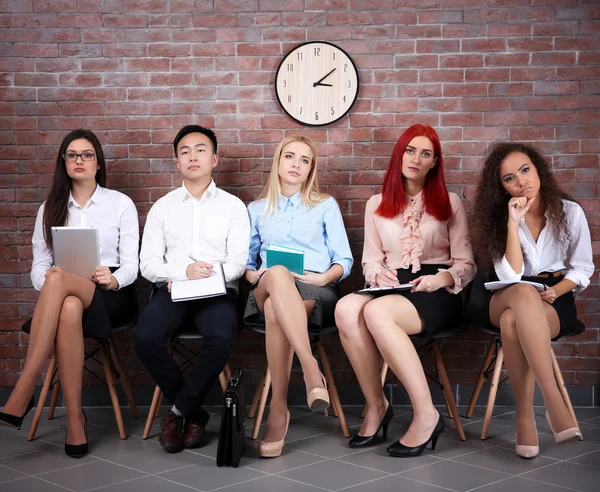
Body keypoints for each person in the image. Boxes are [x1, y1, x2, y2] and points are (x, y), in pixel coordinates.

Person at [334, 124, 476, 458]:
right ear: (399, 154)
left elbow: (466, 264)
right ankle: (377, 405)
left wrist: (441, 279)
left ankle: (427, 414)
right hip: (392, 284)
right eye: (410, 150)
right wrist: (377, 273)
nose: (416, 158)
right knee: (344, 308)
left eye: (425, 153)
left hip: (438, 289)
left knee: (376, 312)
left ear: (434, 162)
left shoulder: (450, 202)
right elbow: (369, 260)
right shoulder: (376, 204)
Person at [0, 129, 139, 458]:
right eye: (72, 155)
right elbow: (38, 268)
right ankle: (75, 419)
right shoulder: (50, 208)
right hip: (64, 300)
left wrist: (113, 277)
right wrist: (48, 276)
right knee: (68, 301)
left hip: (110, 297)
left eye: (87, 154)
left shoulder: (120, 204)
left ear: (98, 163)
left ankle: (25, 386)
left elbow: (133, 264)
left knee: (63, 287)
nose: (80, 160)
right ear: (63, 163)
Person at [473, 143, 593, 458]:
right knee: (522, 292)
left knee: (514, 324)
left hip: (554, 297)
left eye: (525, 170)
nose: (522, 181)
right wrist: (513, 223)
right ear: (502, 187)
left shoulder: (570, 212)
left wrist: (561, 289)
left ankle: (525, 419)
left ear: (537, 169)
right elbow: (511, 275)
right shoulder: (500, 218)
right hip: (505, 295)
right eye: (510, 178)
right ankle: (554, 403)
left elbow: (582, 268)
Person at [135, 125, 250, 454]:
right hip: (173, 290)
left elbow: (239, 263)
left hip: (218, 294)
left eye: (200, 150)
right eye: (184, 151)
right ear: (177, 162)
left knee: (222, 337)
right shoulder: (163, 207)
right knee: (145, 338)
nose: (192, 156)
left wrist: (208, 277)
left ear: (215, 159)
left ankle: (177, 412)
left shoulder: (233, 207)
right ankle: (195, 412)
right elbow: (148, 264)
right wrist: (182, 272)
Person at [244, 135, 353, 458]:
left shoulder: (324, 205)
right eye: (290, 157)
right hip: (266, 286)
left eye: (304, 160)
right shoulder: (256, 209)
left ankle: (278, 412)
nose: (296, 164)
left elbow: (343, 261)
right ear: (278, 162)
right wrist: (258, 274)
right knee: (276, 274)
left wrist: (323, 277)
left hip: (314, 289)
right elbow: (246, 267)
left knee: (279, 310)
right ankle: (309, 368)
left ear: (311, 170)